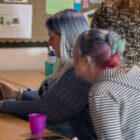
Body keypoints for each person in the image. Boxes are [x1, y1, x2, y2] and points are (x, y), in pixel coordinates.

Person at [0, 9, 96, 140]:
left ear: (68, 39)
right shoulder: (69, 68)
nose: (49, 43)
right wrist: (16, 94)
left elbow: (47, 110)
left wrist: (3, 105)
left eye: (52, 37)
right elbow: (51, 99)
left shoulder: (80, 75)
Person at [74, 28, 140, 139]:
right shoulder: (136, 73)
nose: (73, 61)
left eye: (75, 54)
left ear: (86, 60)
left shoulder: (102, 92)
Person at [91, 0, 140, 68]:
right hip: (136, 71)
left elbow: (93, 37)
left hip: (109, 68)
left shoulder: (105, 7)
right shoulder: (105, 7)